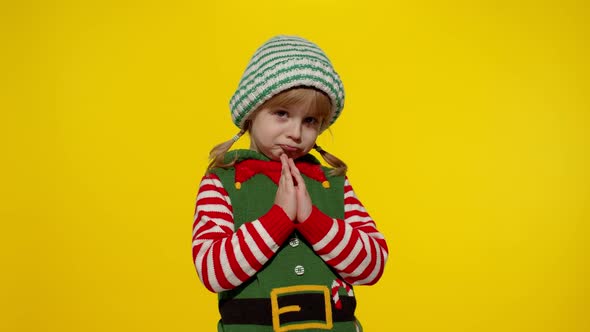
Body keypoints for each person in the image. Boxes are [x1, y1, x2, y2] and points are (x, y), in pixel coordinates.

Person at [192, 35, 389, 332]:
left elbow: (372, 266)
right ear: (251, 112)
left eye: (310, 121)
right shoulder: (223, 181)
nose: (296, 133)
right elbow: (213, 271)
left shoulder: (331, 183)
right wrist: (280, 218)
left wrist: (312, 219)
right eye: (282, 114)